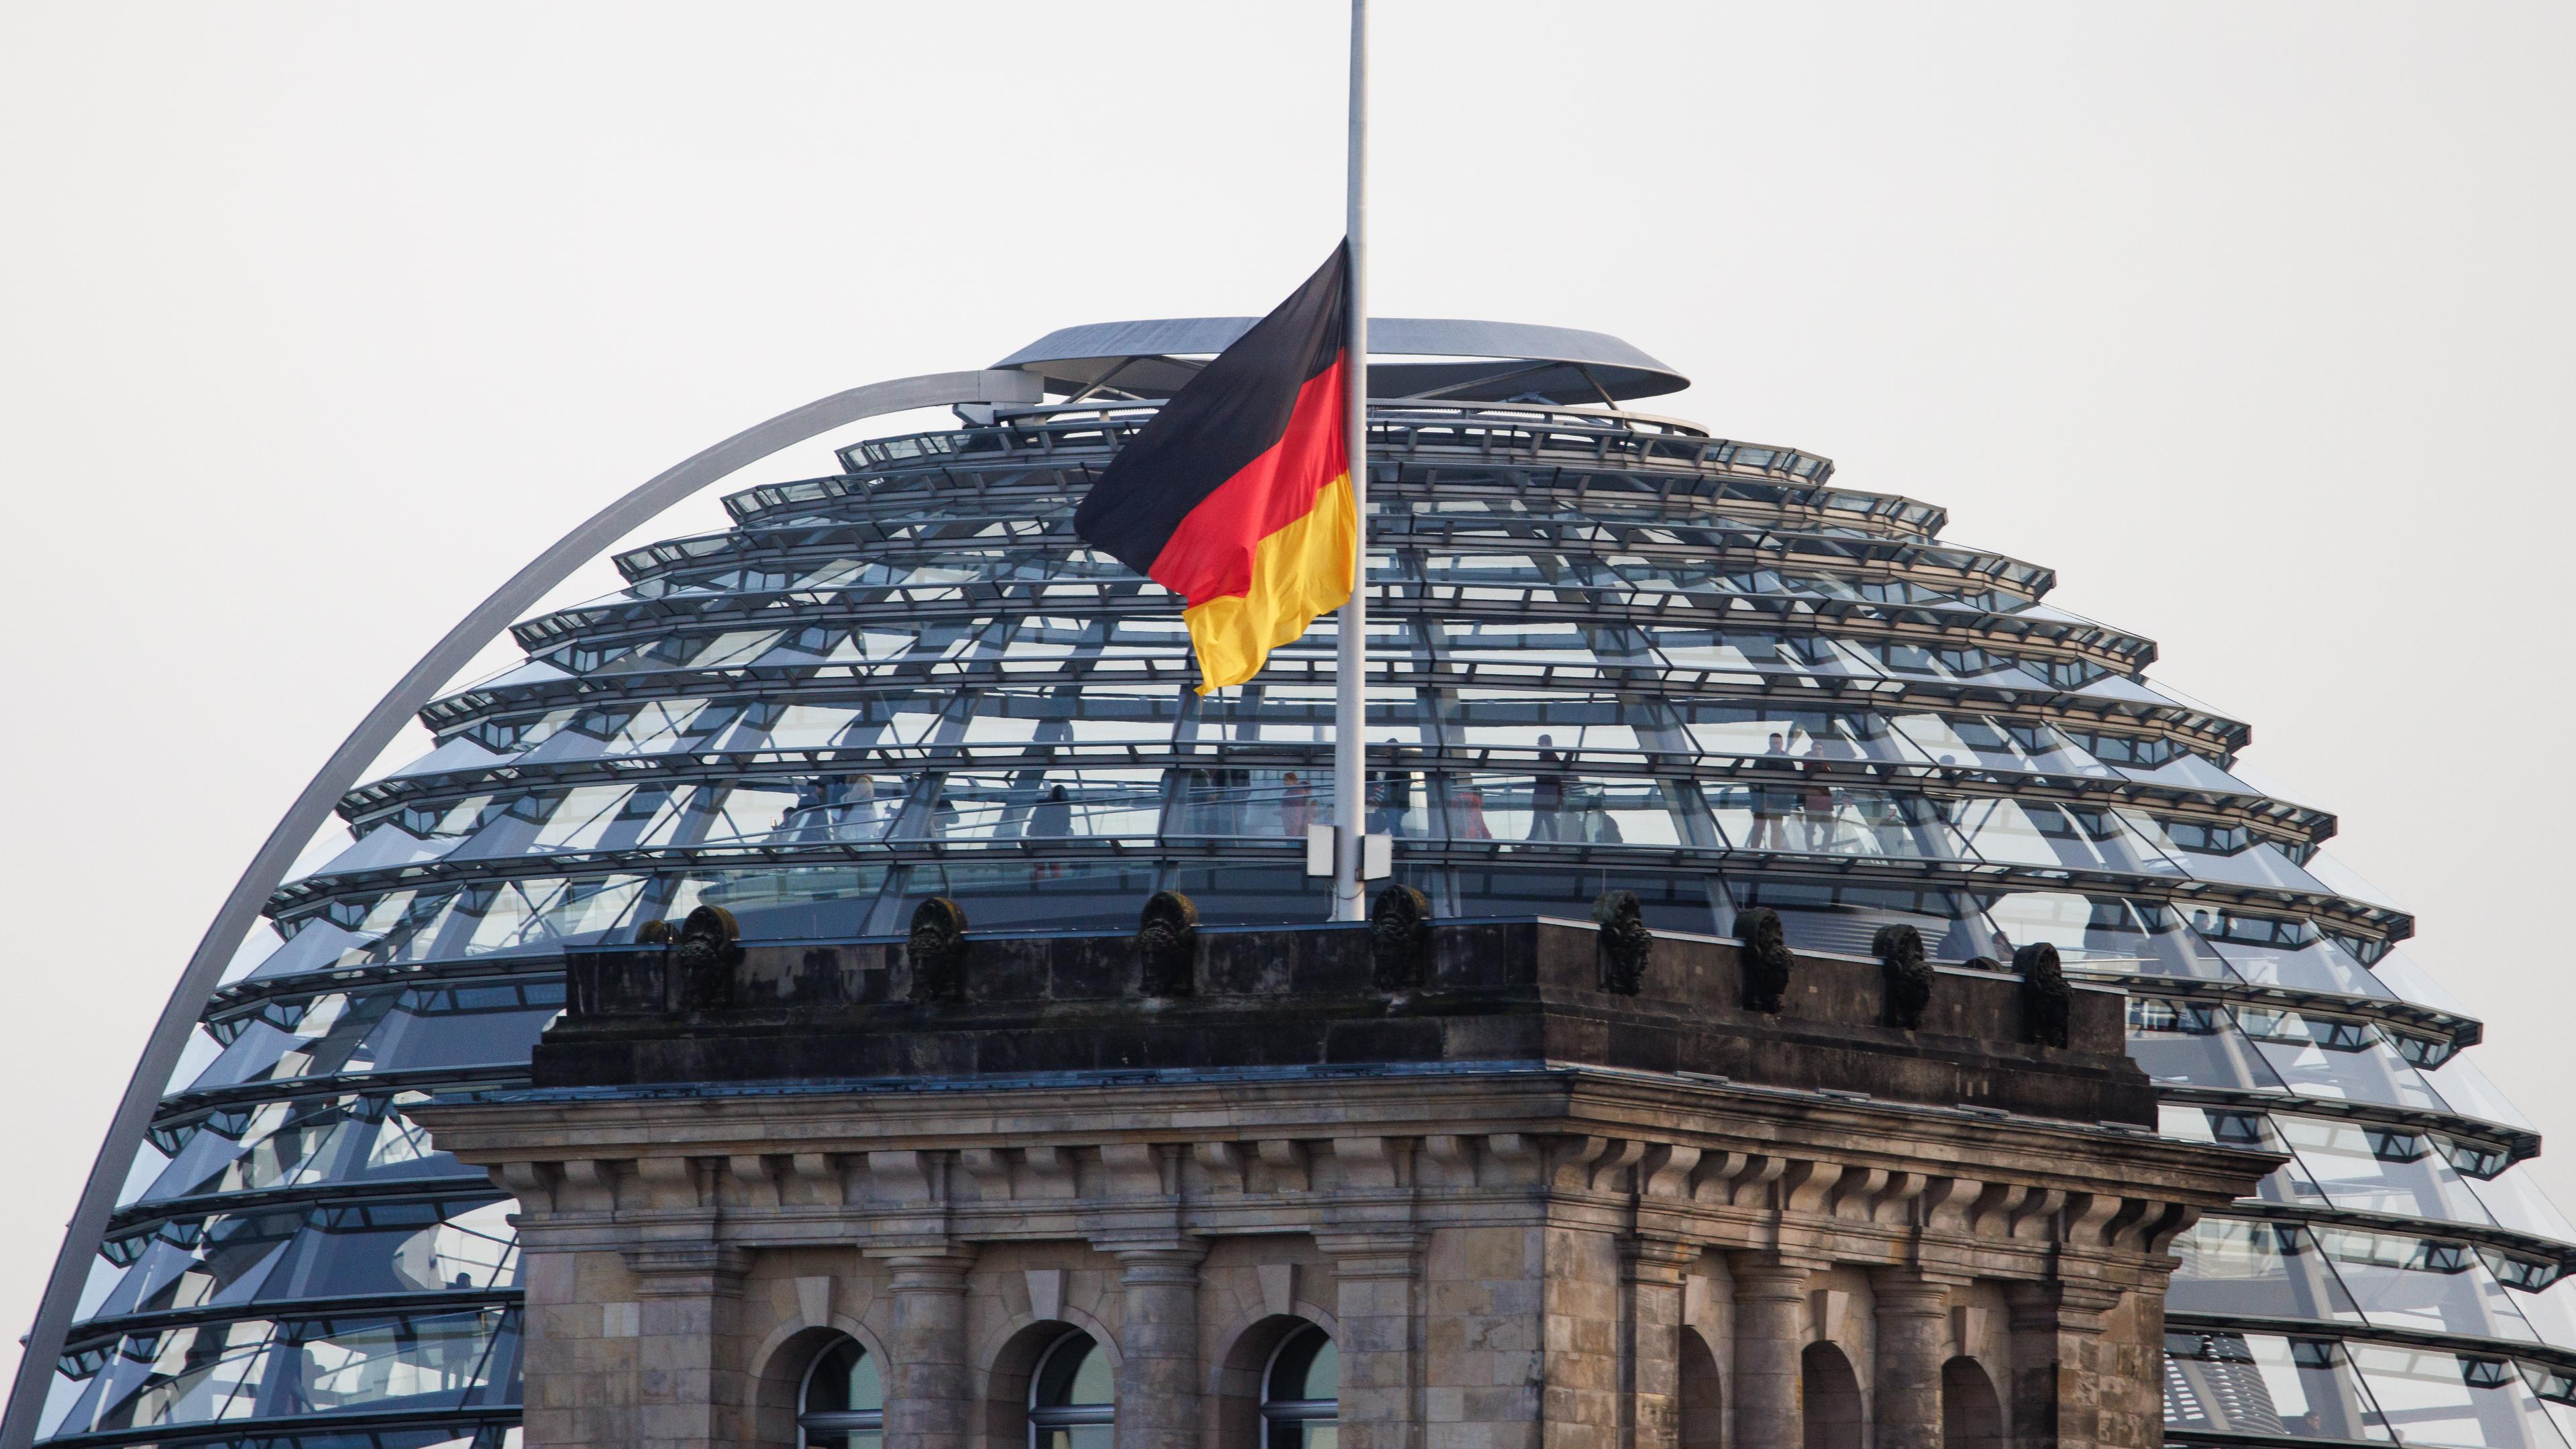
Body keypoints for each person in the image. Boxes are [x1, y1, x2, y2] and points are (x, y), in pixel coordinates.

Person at [1748, 732, 1794, 849]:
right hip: (1763, 801)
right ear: (1769, 744)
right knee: (1759, 829)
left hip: (1778, 801)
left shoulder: (1787, 761)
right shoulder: (1763, 760)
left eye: (1777, 743)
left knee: (1776, 829)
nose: (1775, 745)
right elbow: (1752, 781)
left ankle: (1774, 854)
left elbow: (1793, 783)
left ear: (1782, 743)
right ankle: (1755, 853)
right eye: (1773, 743)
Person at [1368, 737, 1413, 834]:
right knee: (1394, 828)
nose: (1386, 753)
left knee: (1394, 828)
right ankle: (1401, 846)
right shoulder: (1397, 765)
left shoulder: (1399, 765)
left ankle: (1403, 847)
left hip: (1394, 804)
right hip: (1394, 804)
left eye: (1388, 751)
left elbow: (1403, 786)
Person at [1530, 734, 1566, 841]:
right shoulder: (1552, 758)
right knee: (1547, 822)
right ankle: (1554, 844)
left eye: (1541, 743)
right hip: (1548, 797)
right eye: (1539, 744)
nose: (1539, 746)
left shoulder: (1548, 759)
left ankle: (1528, 844)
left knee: (1539, 822)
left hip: (1545, 797)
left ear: (1548, 744)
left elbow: (1547, 778)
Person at [1281, 771, 1313, 839]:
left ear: (1294, 781)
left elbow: (1298, 812)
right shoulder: (1287, 793)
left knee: (1294, 840)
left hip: (1296, 824)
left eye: (1287, 780)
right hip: (1289, 823)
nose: (1285, 783)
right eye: (1284, 781)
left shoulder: (1298, 792)